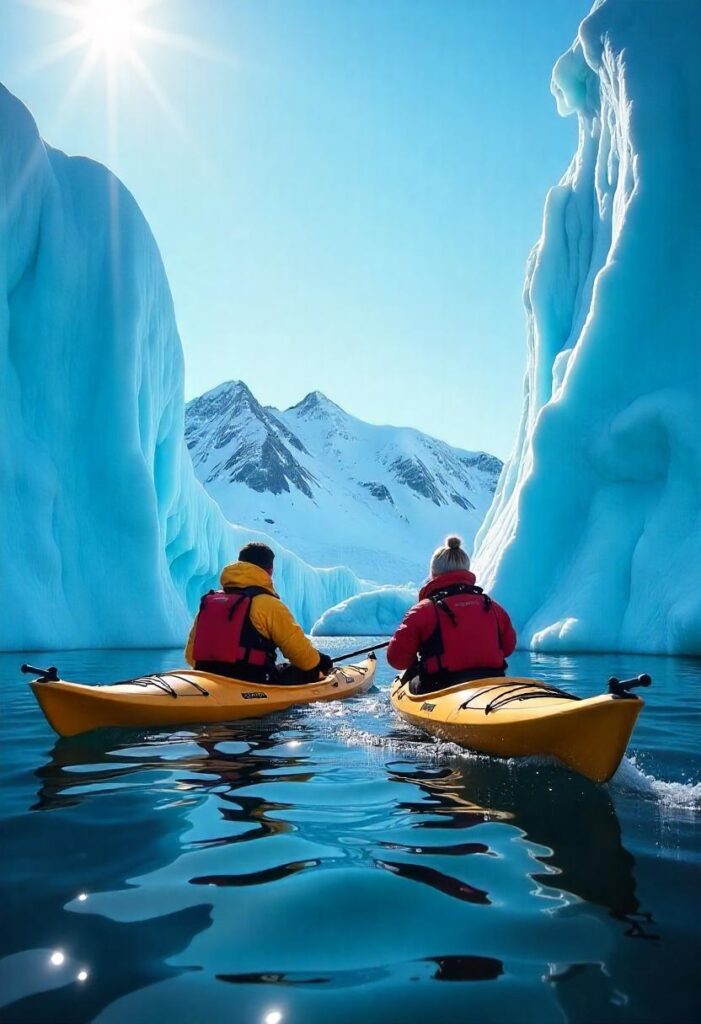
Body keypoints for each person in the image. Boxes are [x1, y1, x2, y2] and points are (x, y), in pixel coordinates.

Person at [185, 542, 333, 684]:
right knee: (310, 671)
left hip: (207, 678)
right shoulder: (268, 604)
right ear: (269, 571)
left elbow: (190, 656)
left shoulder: (211, 601)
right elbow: (304, 659)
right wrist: (320, 661)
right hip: (253, 681)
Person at [387, 535, 516, 694]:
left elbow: (397, 660)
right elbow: (509, 648)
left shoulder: (423, 611)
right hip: (492, 682)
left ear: (433, 573)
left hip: (441, 687)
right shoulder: (493, 607)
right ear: (466, 571)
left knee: (406, 681)